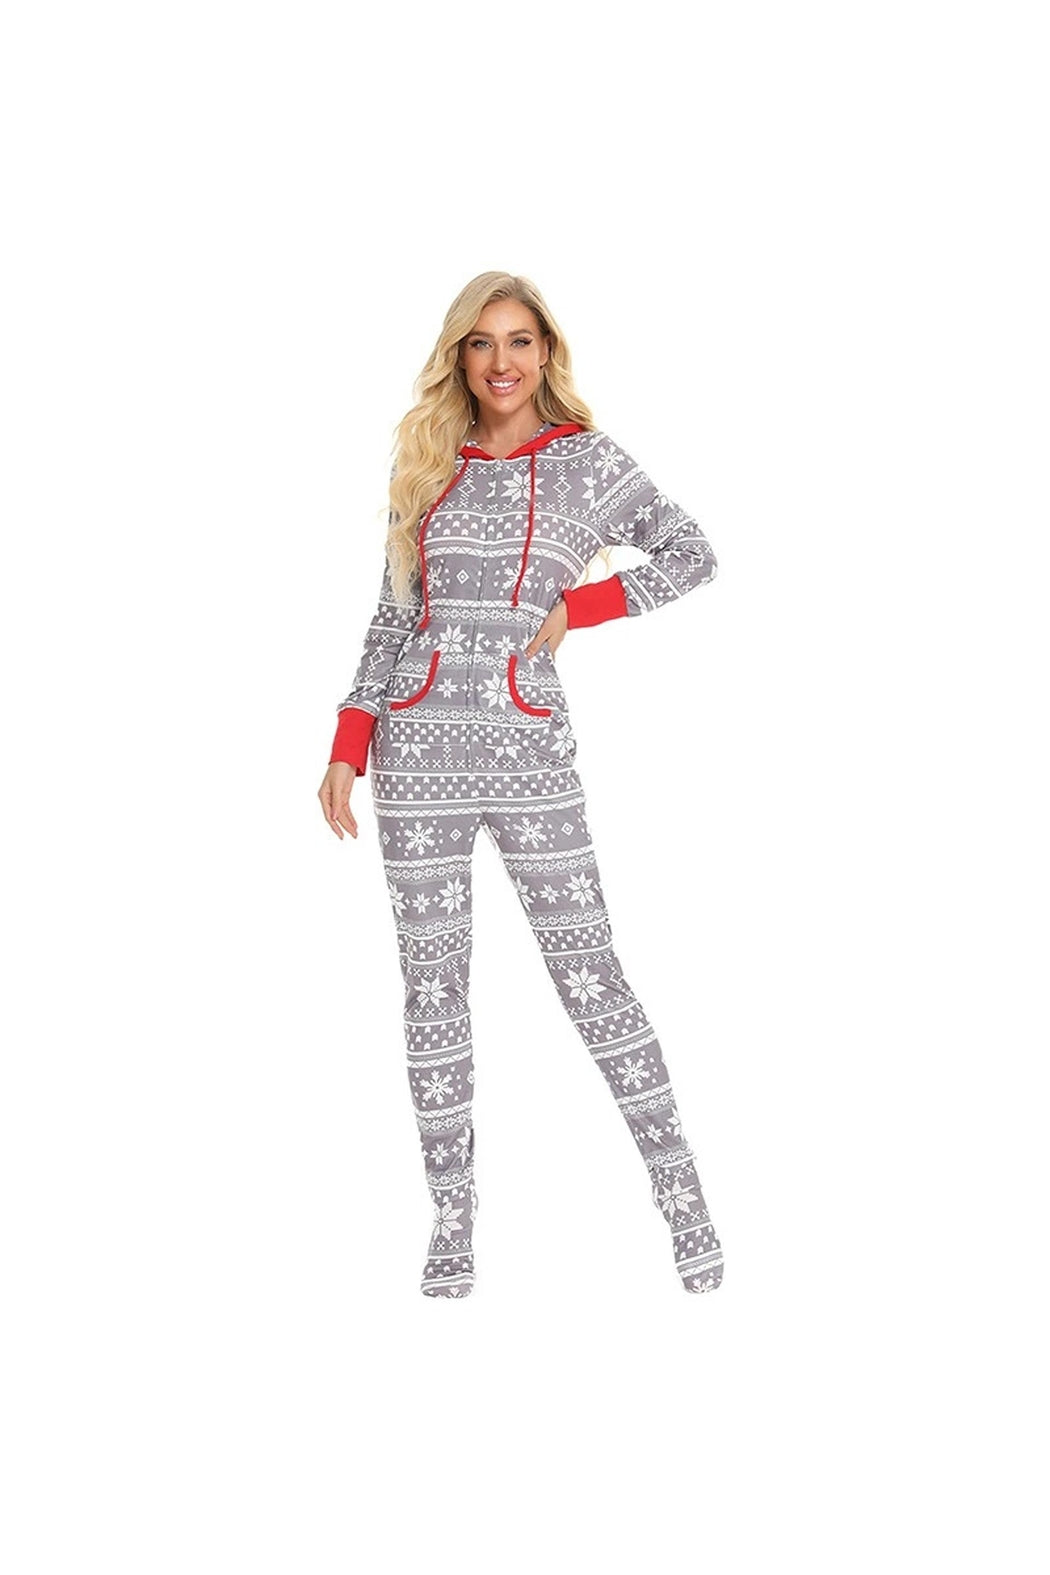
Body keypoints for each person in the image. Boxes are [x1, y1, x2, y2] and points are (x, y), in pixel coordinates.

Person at [318, 271, 724, 1298]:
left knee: (594, 976)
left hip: (529, 752)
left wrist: (580, 609)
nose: (501, 362)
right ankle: (451, 1219)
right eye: (481, 342)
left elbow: (692, 552)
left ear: (546, 352)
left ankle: (683, 1197)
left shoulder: (587, 462)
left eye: (519, 341)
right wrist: (349, 742)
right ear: (459, 355)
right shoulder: (426, 461)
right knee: (433, 990)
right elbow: (391, 616)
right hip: (416, 758)